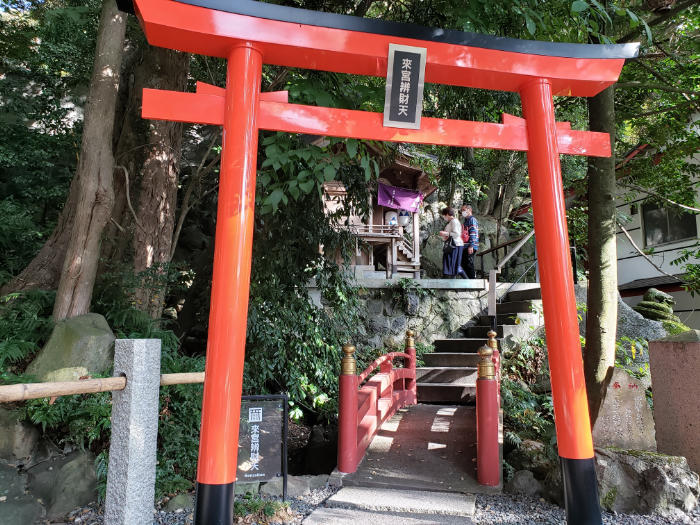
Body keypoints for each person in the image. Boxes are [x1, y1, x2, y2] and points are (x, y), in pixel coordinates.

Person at [439, 207, 468, 279]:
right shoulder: (452, 222)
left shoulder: (454, 221)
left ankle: (467, 281)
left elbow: (457, 234)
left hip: (455, 245)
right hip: (454, 245)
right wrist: (445, 235)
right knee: (454, 266)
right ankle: (453, 284)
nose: (444, 217)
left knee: (454, 265)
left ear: (447, 214)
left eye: (444, 215)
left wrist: (446, 233)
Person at [460, 204, 479, 279]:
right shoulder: (466, 221)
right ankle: (468, 281)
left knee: (469, 264)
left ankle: (472, 281)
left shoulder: (472, 220)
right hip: (465, 246)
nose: (462, 212)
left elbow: (473, 233)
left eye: (464, 210)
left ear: (469, 210)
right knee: (464, 264)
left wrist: (471, 245)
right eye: (462, 210)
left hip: (470, 246)